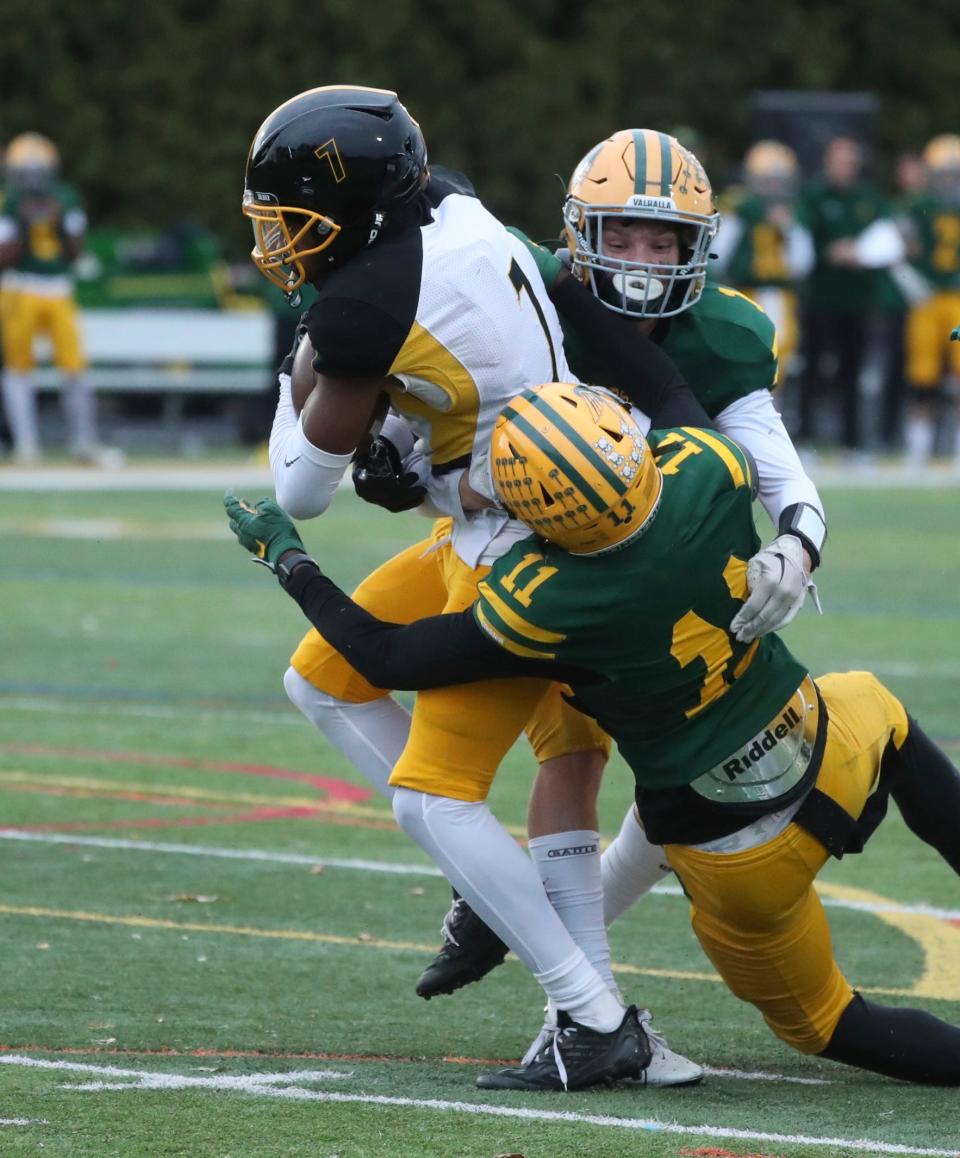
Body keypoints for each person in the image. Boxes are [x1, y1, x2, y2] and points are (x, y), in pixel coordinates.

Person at [225, 380, 960, 1089]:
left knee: (823, 1023)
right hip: (831, 742)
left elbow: (385, 655)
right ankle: (514, 923)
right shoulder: (711, 466)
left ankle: (528, 941)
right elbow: (672, 397)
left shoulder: (545, 598)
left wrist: (291, 562)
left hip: (737, 858)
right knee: (879, 707)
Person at [241, 86, 717, 1089]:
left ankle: (592, 1019)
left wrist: (311, 357)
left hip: (524, 546)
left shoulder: (364, 303)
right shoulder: (448, 197)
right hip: (508, 507)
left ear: (353, 207)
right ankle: (532, 943)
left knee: (434, 800)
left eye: (291, 222)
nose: (278, 243)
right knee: (322, 678)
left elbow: (301, 487)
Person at [376, 130, 824, 1019]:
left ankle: (530, 940)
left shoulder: (721, 334)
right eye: (623, 236)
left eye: (665, 242)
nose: (644, 261)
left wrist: (801, 539)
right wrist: (407, 464)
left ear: (698, 247)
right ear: (583, 231)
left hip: (642, 578)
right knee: (544, 758)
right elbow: (443, 469)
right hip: (523, 569)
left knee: (673, 775)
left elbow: (775, 463)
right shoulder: (526, 296)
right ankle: (564, 983)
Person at [796, 136, 905, 457]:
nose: (847, 167)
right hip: (820, 300)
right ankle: (804, 438)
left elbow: (890, 238)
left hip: (859, 301)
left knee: (854, 370)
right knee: (813, 369)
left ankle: (852, 441)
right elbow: (800, 241)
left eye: (851, 161)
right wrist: (830, 252)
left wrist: (861, 252)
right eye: (840, 160)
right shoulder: (814, 196)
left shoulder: (869, 199)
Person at [0, 133, 103, 463]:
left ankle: (83, 441)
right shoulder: (10, 202)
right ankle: (26, 444)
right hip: (20, 287)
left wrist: (57, 224)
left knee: (74, 367)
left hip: (58, 289)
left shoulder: (66, 198)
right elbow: (4, 255)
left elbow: (75, 251)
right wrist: (24, 226)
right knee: (18, 368)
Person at [711, 140, 814, 377]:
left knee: (781, 357)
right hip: (745, 292)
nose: (775, 187)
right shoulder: (739, 208)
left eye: (780, 180)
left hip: (780, 296)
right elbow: (717, 255)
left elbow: (802, 264)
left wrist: (788, 228)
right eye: (768, 180)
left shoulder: (794, 213)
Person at [901, 134, 960, 468]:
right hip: (927, 299)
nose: (950, 181)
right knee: (922, 377)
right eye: (945, 173)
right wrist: (913, 282)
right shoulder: (916, 205)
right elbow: (900, 249)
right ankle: (917, 452)